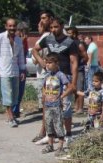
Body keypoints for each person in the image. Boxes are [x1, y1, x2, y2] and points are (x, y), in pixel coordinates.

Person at [33, 17, 78, 146]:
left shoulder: (70, 42)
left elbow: (74, 63)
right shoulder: (48, 39)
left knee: (66, 108)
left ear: (61, 26)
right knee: (50, 107)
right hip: (51, 78)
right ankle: (50, 135)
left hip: (65, 77)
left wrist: (73, 83)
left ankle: (68, 135)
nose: (53, 29)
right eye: (51, 27)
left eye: (56, 27)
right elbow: (35, 49)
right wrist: (42, 61)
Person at [0, 18, 26, 128]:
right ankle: (10, 117)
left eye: (14, 26)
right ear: (6, 26)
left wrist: (23, 70)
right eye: (10, 26)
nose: (12, 28)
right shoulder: (0, 38)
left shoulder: (18, 40)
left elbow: (21, 57)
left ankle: (11, 116)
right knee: (7, 94)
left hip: (15, 71)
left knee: (15, 95)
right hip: (4, 71)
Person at [41, 53, 70, 155]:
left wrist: (62, 96)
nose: (47, 65)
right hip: (48, 105)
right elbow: (44, 86)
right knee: (48, 125)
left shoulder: (60, 75)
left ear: (56, 63)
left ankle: (61, 147)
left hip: (57, 105)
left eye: (50, 63)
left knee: (58, 125)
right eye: (46, 63)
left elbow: (69, 87)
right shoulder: (47, 75)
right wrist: (44, 96)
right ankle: (50, 145)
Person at [32, 9, 54, 143]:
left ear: (51, 19)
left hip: (56, 75)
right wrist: (42, 62)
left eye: (44, 18)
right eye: (41, 18)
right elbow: (35, 54)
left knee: (56, 105)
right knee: (46, 104)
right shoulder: (45, 37)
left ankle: (51, 132)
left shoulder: (58, 34)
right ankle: (44, 131)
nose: (41, 21)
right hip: (44, 74)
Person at [67, 26, 89, 114]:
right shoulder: (68, 43)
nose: (68, 35)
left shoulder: (79, 44)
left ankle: (80, 108)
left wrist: (79, 63)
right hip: (70, 70)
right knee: (74, 89)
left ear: (74, 34)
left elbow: (86, 57)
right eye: (67, 33)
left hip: (79, 70)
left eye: (70, 33)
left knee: (80, 89)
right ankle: (76, 107)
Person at [12, 21, 29, 119]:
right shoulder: (15, 40)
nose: (24, 34)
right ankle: (13, 110)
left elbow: (25, 54)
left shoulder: (25, 40)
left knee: (21, 90)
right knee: (14, 90)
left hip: (22, 68)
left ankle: (17, 109)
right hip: (14, 68)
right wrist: (21, 41)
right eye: (22, 31)